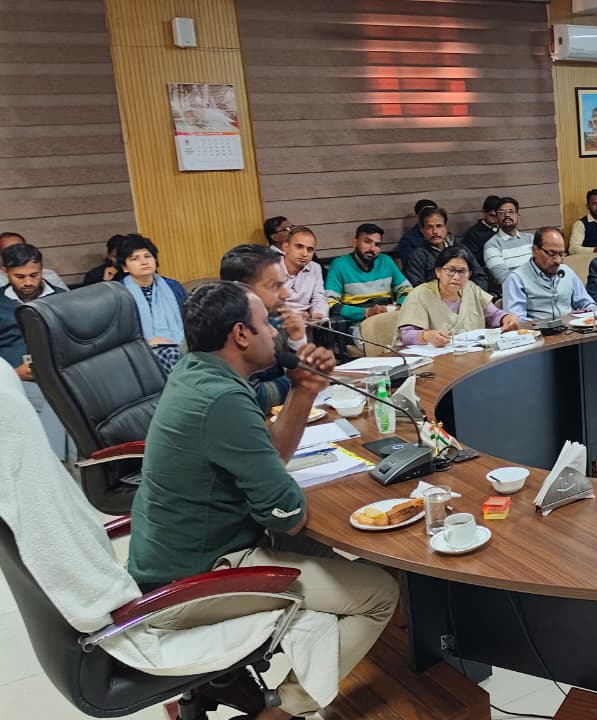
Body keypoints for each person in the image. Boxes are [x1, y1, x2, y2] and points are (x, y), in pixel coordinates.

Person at [126, 281, 399, 720]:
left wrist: (303, 390)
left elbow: (269, 456)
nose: (274, 332)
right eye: (265, 324)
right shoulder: (223, 399)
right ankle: (282, 712)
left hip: (176, 561)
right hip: (191, 584)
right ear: (240, 334)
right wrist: (282, 493)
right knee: (380, 593)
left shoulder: (196, 372)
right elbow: (287, 515)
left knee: (338, 559)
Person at [0, 243, 72, 461]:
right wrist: (13, 372)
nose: (28, 282)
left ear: (42, 269)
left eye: (34, 275)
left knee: (60, 396)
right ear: (5, 272)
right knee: (63, 402)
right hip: (13, 380)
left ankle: (51, 462)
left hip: (59, 375)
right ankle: (64, 464)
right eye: (19, 276)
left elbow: (76, 341)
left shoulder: (61, 298)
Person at [220, 244, 309, 411]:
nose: (286, 294)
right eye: (274, 286)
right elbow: (254, 397)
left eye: (284, 284)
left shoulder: (273, 319)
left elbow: (293, 368)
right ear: (240, 288)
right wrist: (301, 380)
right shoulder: (220, 330)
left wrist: (298, 340)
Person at [398, 246, 517, 347]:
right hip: (436, 358)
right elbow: (406, 335)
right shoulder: (419, 294)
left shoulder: (471, 288)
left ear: (469, 274)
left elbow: (493, 315)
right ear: (438, 272)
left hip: (472, 354)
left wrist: (506, 318)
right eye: (450, 270)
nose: (456, 277)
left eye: (462, 272)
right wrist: (425, 336)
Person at [117, 234, 187, 373]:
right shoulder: (118, 294)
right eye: (135, 259)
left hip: (182, 344)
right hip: (140, 351)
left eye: (147, 256)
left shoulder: (173, 286)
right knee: (170, 355)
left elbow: (191, 318)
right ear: (125, 267)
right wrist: (145, 344)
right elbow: (118, 334)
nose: (144, 262)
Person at [324, 223, 411, 331]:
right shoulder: (339, 265)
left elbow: (407, 290)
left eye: (377, 245)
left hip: (389, 317)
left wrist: (399, 306)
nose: (372, 248)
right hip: (359, 323)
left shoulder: (386, 261)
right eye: (367, 242)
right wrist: (365, 312)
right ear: (355, 242)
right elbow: (330, 303)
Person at [502, 227, 595, 322]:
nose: (558, 261)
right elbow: (517, 321)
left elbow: (587, 304)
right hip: (537, 330)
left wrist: (588, 311)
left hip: (572, 327)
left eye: (561, 254)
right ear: (535, 250)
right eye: (551, 253)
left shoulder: (566, 271)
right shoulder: (516, 279)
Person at [402, 207, 489, 290]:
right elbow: (418, 286)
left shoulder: (461, 249)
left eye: (439, 226)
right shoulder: (417, 256)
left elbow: (480, 277)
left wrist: (472, 295)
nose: (435, 232)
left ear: (446, 227)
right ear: (422, 230)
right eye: (429, 227)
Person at [482, 197, 534, 289]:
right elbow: (505, 279)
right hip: (516, 291)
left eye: (511, 211)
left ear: (518, 216)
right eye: (501, 212)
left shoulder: (531, 239)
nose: (507, 215)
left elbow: (542, 267)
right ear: (497, 217)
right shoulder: (492, 245)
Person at [277, 226, 327, 321]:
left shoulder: (315, 268)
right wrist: (292, 316)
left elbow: (319, 298)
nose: (304, 254)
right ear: (285, 247)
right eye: (299, 247)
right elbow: (264, 304)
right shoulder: (269, 267)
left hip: (306, 322)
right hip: (277, 323)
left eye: (310, 249)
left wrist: (318, 314)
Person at [0, 232, 68, 292]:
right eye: (9, 251)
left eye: (33, 275)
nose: (28, 282)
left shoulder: (49, 275)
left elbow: (66, 299)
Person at [459, 195, 502, 261]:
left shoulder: (504, 228)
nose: (496, 218)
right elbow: (471, 259)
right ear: (484, 212)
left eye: (499, 215)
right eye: (492, 215)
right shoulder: (473, 233)